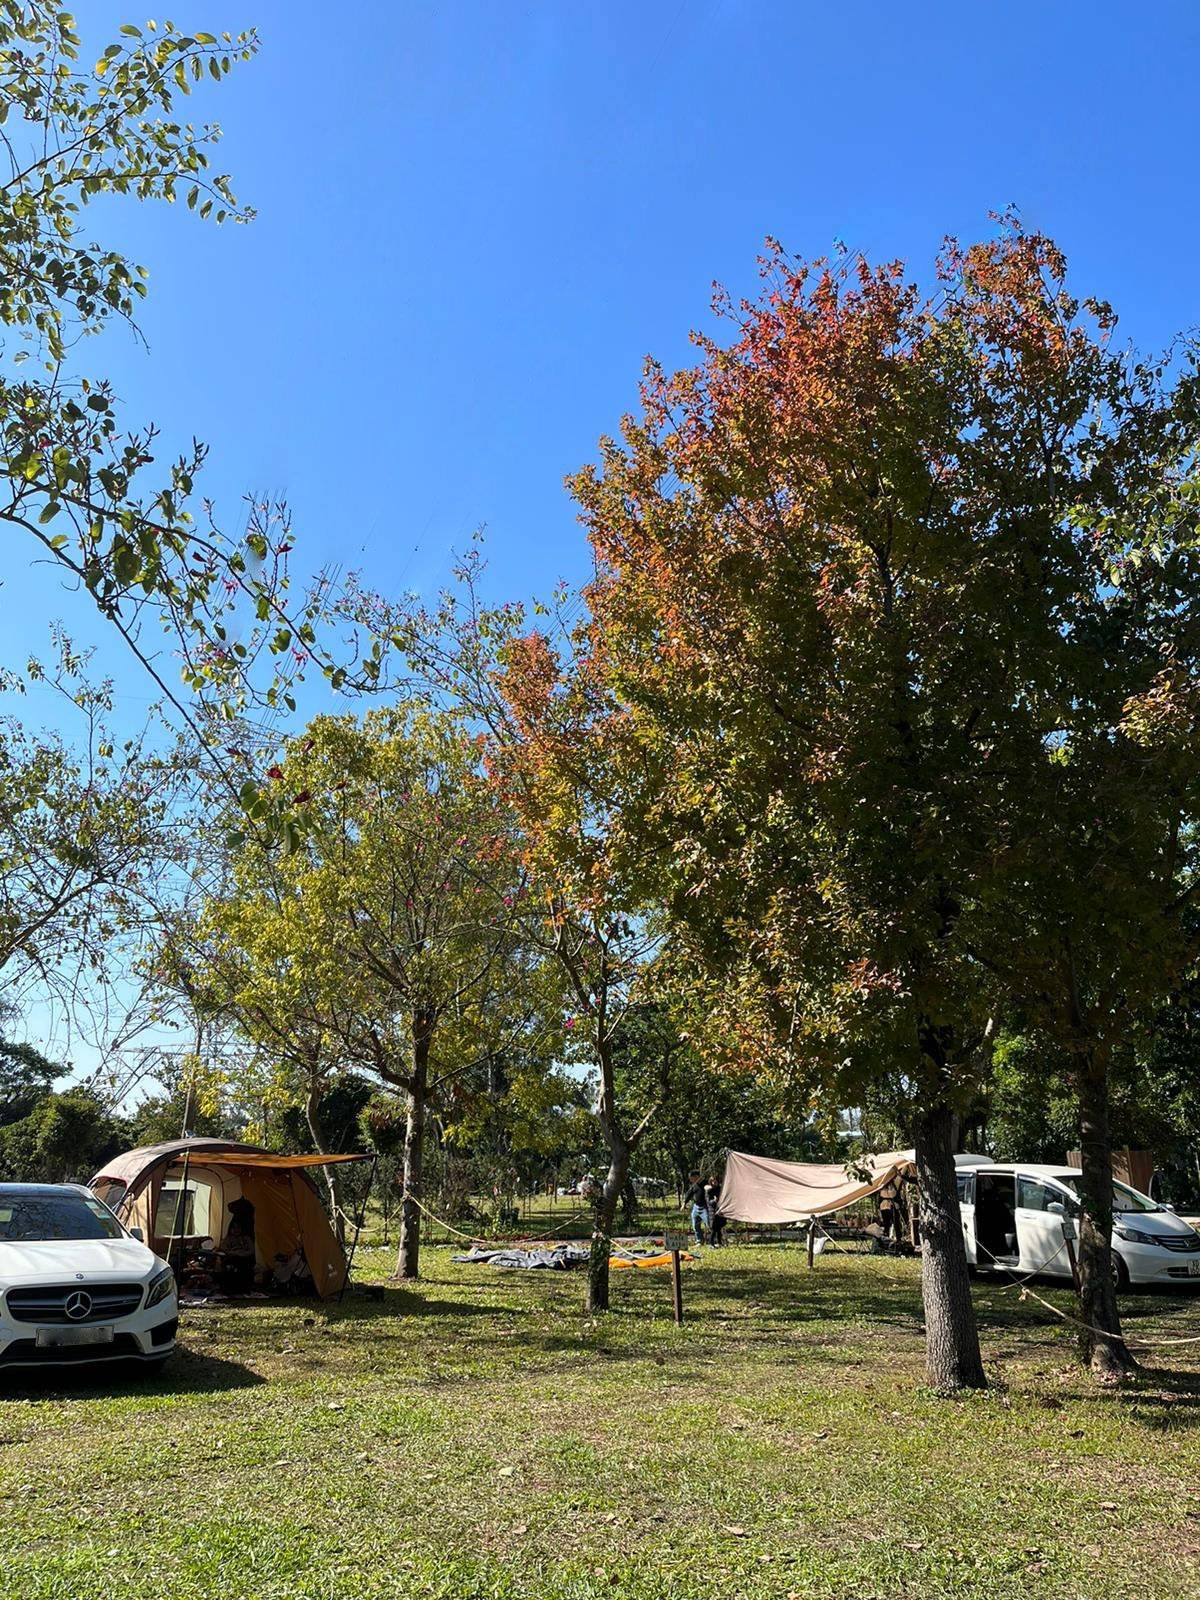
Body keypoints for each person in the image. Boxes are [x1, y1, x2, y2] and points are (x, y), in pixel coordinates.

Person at [684, 1171, 709, 1244]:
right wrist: (684, 1203)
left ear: (696, 1176)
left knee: (709, 1224)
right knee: (695, 1225)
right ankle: (699, 1241)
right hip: (696, 1207)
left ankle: (715, 1240)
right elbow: (689, 1194)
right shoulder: (694, 1185)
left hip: (705, 1207)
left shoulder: (706, 1183)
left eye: (692, 1178)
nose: (691, 1180)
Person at [707, 1173, 726, 1246]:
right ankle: (711, 1244)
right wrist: (714, 1201)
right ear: (711, 1182)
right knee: (714, 1229)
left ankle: (719, 1242)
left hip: (721, 1211)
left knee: (719, 1228)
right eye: (713, 1181)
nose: (714, 1183)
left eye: (716, 1181)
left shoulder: (721, 1189)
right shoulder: (709, 1191)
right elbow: (708, 1202)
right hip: (713, 1211)